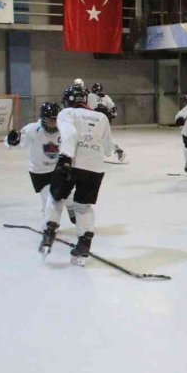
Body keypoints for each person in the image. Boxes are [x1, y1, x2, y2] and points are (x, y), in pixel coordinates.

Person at [38, 84, 114, 266]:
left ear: (67, 101)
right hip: (95, 168)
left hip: (71, 162)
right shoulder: (102, 117)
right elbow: (109, 148)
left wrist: (65, 157)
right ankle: (83, 244)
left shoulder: (67, 114)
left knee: (56, 198)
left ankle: (49, 234)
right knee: (83, 206)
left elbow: (70, 133)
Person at [5, 102, 61, 213]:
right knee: (51, 195)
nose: (53, 124)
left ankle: (47, 218)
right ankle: (50, 221)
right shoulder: (32, 130)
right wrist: (12, 141)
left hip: (55, 169)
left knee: (52, 197)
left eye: (55, 120)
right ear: (44, 119)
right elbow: (19, 144)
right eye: (50, 120)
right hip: (38, 171)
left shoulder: (63, 130)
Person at [88, 83, 125, 163]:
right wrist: (112, 114)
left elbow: (113, 109)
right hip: (101, 120)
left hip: (95, 120)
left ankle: (113, 150)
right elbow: (113, 109)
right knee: (104, 136)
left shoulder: (91, 96)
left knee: (97, 136)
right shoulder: (104, 97)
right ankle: (116, 149)